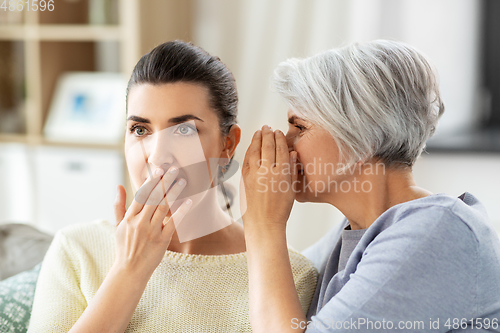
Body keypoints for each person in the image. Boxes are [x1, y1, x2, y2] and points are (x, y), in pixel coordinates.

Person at [28, 41, 317, 333]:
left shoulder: (291, 275)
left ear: (227, 144)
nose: (156, 155)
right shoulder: (78, 250)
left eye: (184, 130)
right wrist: (129, 270)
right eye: (140, 130)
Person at [241, 40, 500, 332]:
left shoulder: (440, 232)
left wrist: (264, 224)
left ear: (363, 138)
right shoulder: (352, 235)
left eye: (299, 127)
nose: (285, 145)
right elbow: (253, 292)